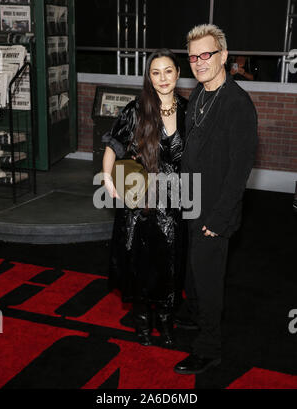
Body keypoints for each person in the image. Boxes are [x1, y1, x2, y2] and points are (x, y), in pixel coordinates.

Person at [174, 24, 258, 374]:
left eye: (206, 54)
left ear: (224, 56)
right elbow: (192, 152)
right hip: (192, 201)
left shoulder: (238, 105)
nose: (199, 62)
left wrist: (220, 218)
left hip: (215, 212)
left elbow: (240, 171)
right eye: (193, 57)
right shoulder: (198, 95)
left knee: (208, 279)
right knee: (193, 271)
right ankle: (195, 316)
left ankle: (209, 348)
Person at [102, 49, 187, 347]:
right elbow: (113, 145)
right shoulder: (136, 109)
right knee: (138, 263)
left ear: (177, 73)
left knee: (169, 264)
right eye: (155, 72)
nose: (162, 78)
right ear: (148, 77)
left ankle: (165, 321)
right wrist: (108, 179)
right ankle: (141, 323)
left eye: (168, 71)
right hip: (138, 202)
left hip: (174, 201)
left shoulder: (188, 110)